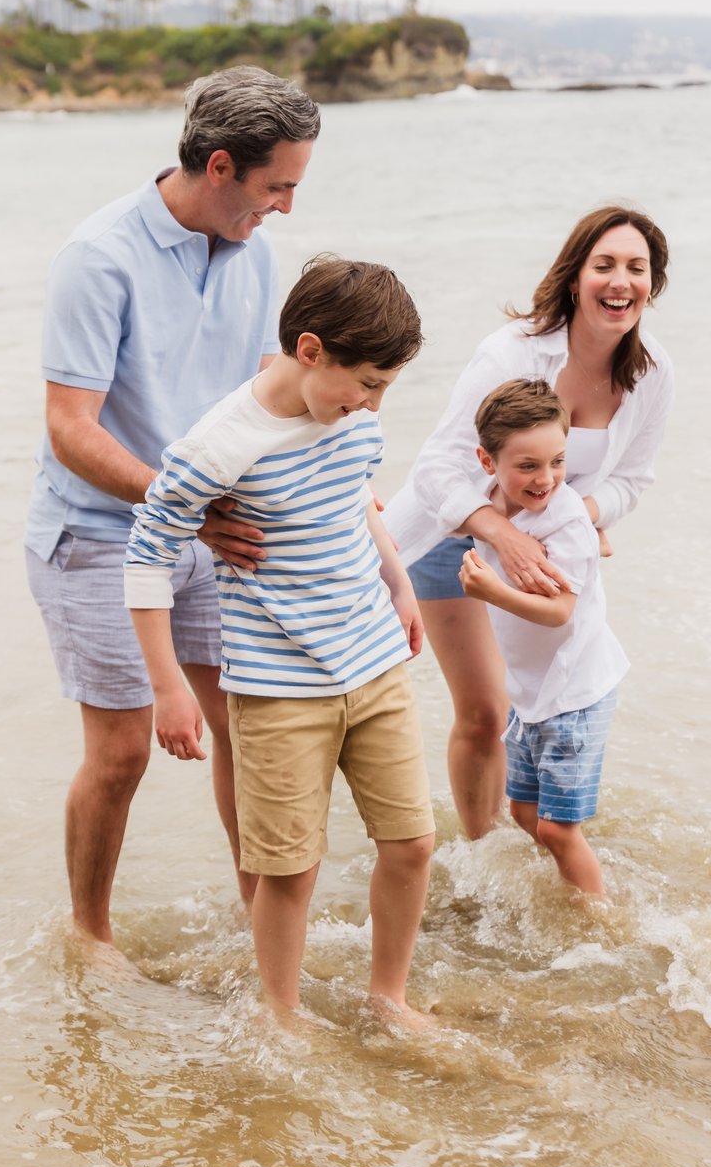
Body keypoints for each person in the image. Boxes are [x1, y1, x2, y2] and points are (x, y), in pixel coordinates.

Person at [24, 65, 321, 945]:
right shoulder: (98, 257)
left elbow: (259, 392)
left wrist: (328, 471)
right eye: (279, 187)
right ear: (221, 165)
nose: (288, 208)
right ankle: (91, 935)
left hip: (204, 528)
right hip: (97, 533)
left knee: (243, 724)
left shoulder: (254, 252)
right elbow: (69, 428)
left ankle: (261, 927)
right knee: (120, 753)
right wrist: (183, 504)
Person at [123, 257, 435, 1019]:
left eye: (384, 388)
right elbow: (146, 554)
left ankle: (387, 1000)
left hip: (376, 663)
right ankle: (282, 1019)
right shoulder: (222, 444)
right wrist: (167, 688)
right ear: (308, 349)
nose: (371, 404)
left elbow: (357, 500)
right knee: (290, 872)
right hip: (277, 687)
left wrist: (399, 585)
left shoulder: (351, 417)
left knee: (412, 843)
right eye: (365, 383)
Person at [382, 204, 672, 840]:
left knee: (542, 701)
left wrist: (578, 516)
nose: (620, 281)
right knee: (485, 712)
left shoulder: (650, 375)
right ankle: (479, 850)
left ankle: (531, 846)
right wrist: (503, 533)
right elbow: (436, 469)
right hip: (450, 539)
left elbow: (631, 482)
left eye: (636, 268)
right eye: (605, 265)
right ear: (576, 278)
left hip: (544, 547)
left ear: (653, 284)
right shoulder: (511, 352)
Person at [457, 379, 628, 894]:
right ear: (488, 463)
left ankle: (598, 923)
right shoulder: (488, 504)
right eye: (527, 466)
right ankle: (567, 884)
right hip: (531, 692)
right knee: (524, 810)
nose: (546, 478)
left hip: (575, 691)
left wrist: (491, 592)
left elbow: (560, 613)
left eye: (557, 461)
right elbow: (433, 502)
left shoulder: (566, 522)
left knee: (557, 827)